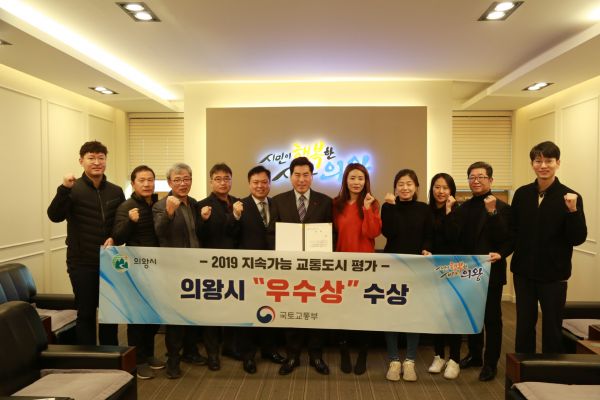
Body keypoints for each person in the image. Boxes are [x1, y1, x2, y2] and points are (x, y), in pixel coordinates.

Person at [511, 141, 587, 354]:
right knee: (524, 325)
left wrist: (573, 211)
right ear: (532, 164)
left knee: (552, 327)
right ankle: (523, 367)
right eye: (538, 161)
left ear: (558, 163)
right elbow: (513, 230)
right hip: (523, 273)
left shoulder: (570, 197)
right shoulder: (522, 194)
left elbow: (577, 238)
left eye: (549, 161)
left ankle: (552, 369)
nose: (543, 165)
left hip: (554, 275)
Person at [47, 140, 124, 346]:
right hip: (81, 262)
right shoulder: (72, 189)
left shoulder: (116, 191)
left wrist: (116, 238)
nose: (97, 162)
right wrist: (64, 189)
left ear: (106, 160)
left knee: (111, 314)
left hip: (110, 261)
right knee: (86, 313)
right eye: (91, 158)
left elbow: (121, 223)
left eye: (101, 158)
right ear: (81, 161)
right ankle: (87, 357)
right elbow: (54, 216)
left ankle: (110, 355)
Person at [269, 156, 333, 375]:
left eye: (306, 175)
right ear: (290, 176)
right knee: (291, 312)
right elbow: (271, 233)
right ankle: (292, 356)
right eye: (297, 175)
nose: (302, 179)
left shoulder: (325, 201)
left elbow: (331, 234)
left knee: (317, 312)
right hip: (289, 268)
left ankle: (316, 356)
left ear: (312, 176)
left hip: (316, 268)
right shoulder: (278, 201)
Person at [453, 161, 513, 382]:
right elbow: (456, 239)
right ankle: (475, 355)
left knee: (491, 319)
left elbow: (508, 239)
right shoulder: (463, 208)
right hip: (467, 272)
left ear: (491, 180)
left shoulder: (502, 207)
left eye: (481, 177)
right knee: (471, 316)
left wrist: (492, 213)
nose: (476, 181)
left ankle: (490, 363)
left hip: (491, 272)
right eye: (472, 177)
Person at [229, 165, 286, 374]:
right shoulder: (239, 205)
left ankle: (269, 350)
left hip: (274, 268)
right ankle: (248, 355)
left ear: (270, 183)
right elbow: (231, 234)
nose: (260, 186)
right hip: (249, 268)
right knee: (248, 311)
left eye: (264, 182)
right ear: (249, 184)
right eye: (256, 182)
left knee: (271, 309)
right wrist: (235, 217)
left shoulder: (277, 204)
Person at [153, 163, 207, 379]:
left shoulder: (194, 203)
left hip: (195, 267)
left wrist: (204, 219)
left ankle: (191, 352)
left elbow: (198, 233)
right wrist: (169, 212)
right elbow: (159, 232)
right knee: (175, 316)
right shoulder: (160, 205)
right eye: (177, 180)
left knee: (193, 312)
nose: (183, 184)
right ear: (169, 182)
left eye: (186, 179)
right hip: (174, 269)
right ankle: (173, 359)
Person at [111, 165, 165, 379]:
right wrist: (129, 221)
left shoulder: (157, 204)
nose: (147, 184)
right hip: (136, 268)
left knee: (153, 315)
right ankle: (138, 361)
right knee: (137, 317)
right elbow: (118, 237)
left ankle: (149, 354)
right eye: (141, 180)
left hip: (157, 267)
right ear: (133, 183)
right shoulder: (126, 206)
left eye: (150, 180)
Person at [381, 169, 433, 382]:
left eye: (409, 183)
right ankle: (394, 360)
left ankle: (410, 360)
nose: (405, 187)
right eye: (401, 184)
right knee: (391, 312)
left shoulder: (424, 208)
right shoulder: (388, 206)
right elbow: (390, 232)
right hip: (393, 266)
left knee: (414, 313)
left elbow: (428, 235)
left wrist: (427, 248)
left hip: (416, 268)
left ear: (416, 187)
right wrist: (391, 206)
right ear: (395, 187)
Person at [332, 163, 381, 375]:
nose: (356, 182)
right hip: (341, 264)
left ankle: (363, 353)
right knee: (342, 309)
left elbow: (372, 233)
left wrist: (367, 209)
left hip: (365, 265)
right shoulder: (336, 204)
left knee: (364, 311)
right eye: (352, 178)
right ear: (345, 180)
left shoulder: (372, 203)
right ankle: (344, 351)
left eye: (360, 178)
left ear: (366, 181)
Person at [197, 163, 240, 371]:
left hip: (235, 266)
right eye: (218, 179)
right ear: (211, 181)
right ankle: (212, 353)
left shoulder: (238, 203)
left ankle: (230, 347)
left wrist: (237, 217)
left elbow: (240, 234)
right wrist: (204, 220)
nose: (223, 183)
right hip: (211, 267)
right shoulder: (202, 205)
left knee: (233, 307)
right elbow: (200, 236)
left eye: (227, 178)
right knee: (212, 312)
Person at [426, 172, 461, 380]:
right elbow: (427, 237)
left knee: (453, 315)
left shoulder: (458, 210)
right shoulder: (427, 211)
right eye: (437, 187)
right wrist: (426, 248)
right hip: (432, 269)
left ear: (451, 190)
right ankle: (438, 356)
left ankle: (454, 359)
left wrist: (449, 212)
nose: (441, 191)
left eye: (445, 188)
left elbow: (455, 238)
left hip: (453, 269)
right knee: (437, 314)